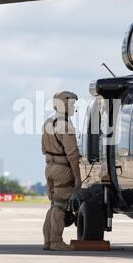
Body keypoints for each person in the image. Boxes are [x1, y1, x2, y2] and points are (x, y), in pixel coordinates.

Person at [41, 91, 82, 251]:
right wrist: (77, 177)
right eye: (71, 104)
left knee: (53, 205)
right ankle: (56, 241)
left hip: (49, 167)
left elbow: (43, 148)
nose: (73, 107)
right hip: (62, 169)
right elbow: (72, 154)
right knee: (60, 205)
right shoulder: (65, 125)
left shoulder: (48, 123)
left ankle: (48, 240)